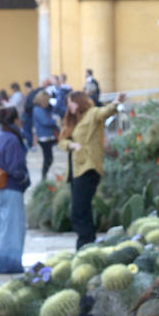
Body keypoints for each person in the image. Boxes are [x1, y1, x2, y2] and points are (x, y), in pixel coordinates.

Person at [59, 90, 124, 248]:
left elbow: (105, 112)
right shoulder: (72, 120)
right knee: (79, 210)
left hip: (88, 168)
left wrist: (115, 103)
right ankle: (87, 244)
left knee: (80, 210)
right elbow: (62, 141)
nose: (68, 105)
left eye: (71, 102)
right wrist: (71, 144)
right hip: (75, 170)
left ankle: (85, 245)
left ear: (79, 102)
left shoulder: (92, 114)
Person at [0, 106, 29, 274]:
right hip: (11, 186)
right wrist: (24, 179)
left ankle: (3, 262)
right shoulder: (12, 138)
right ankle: (11, 264)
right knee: (13, 228)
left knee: (2, 227)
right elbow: (16, 167)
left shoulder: (0, 136)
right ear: (14, 120)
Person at [32, 90, 59, 181]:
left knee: (48, 158)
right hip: (44, 136)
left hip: (47, 135)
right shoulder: (38, 109)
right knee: (48, 158)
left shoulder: (41, 109)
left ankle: (44, 176)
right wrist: (55, 121)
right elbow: (45, 122)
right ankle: (44, 177)